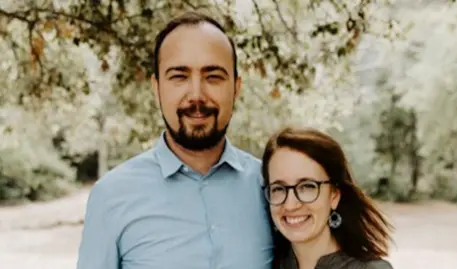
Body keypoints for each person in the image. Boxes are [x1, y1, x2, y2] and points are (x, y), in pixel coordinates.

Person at [76, 11, 273, 269]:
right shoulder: (112, 196)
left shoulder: (271, 189)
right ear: (156, 89)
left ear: (236, 87)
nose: (196, 95)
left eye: (213, 76)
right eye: (179, 76)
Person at [261, 127, 395, 269]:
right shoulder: (265, 264)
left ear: (334, 195)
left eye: (307, 187)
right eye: (278, 189)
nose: (290, 205)